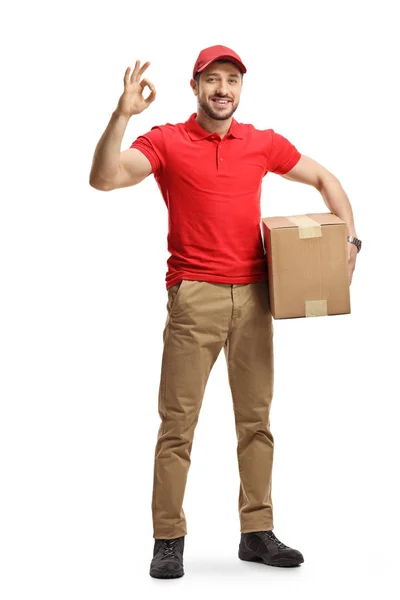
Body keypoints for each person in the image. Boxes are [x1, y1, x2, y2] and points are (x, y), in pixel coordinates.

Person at [89, 44, 361, 579]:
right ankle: (168, 539)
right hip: (195, 298)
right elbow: (105, 178)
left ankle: (257, 533)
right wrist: (121, 115)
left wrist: (350, 239)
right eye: (212, 79)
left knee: (256, 422)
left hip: (258, 297)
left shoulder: (261, 143)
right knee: (177, 426)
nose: (222, 89)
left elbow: (326, 178)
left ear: (241, 89)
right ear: (195, 87)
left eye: (232, 80)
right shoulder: (167, 140)